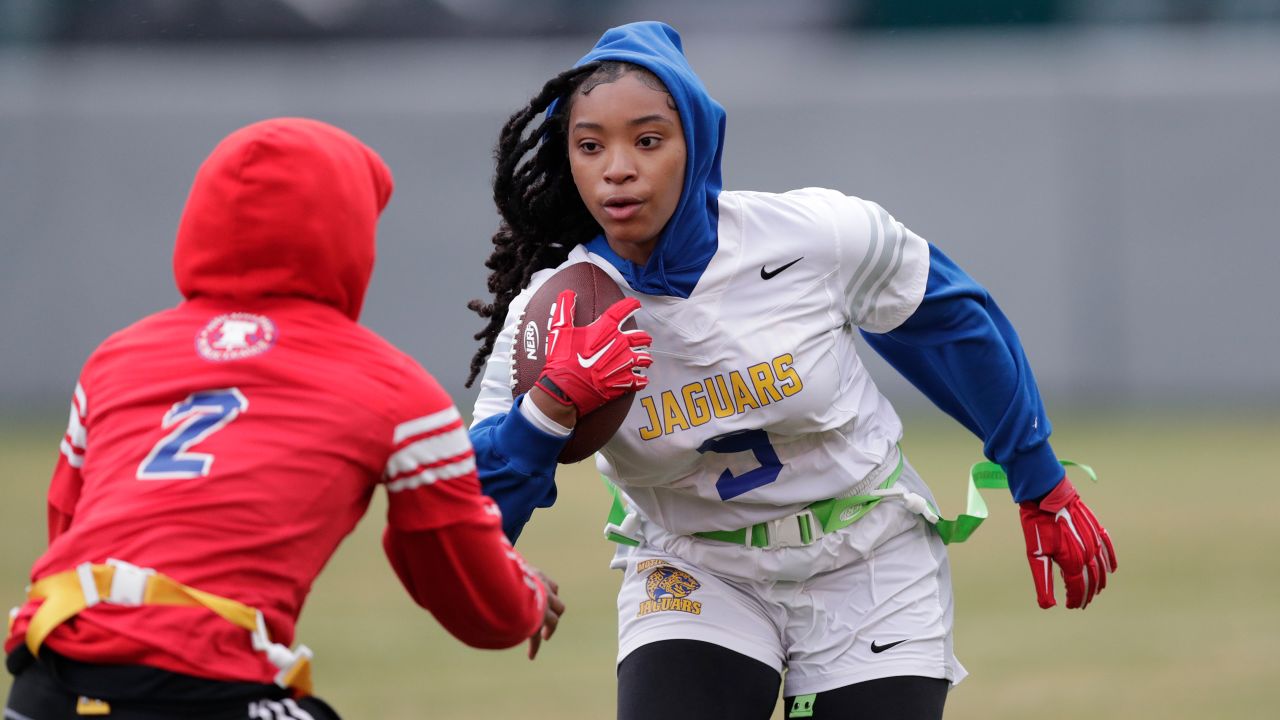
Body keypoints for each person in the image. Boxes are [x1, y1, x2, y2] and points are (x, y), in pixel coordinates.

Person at [465, 21, 1117, 720]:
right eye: (590, 146)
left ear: (699, 145)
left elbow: (957, 324)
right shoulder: (554, 314)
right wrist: (550, 409)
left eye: (647, 140)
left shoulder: (814, 237)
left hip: (867, 557)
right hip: (694, 566)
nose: (616, 168)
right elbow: (475, 511)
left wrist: (1038, 477)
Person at [4, 117, 564, 720]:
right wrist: (524, 598)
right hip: (206, 685)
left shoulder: (114, 360)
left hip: (50, 676)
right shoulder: (394, 388)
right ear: (346, 234)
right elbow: (466, 591)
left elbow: (69, 530)